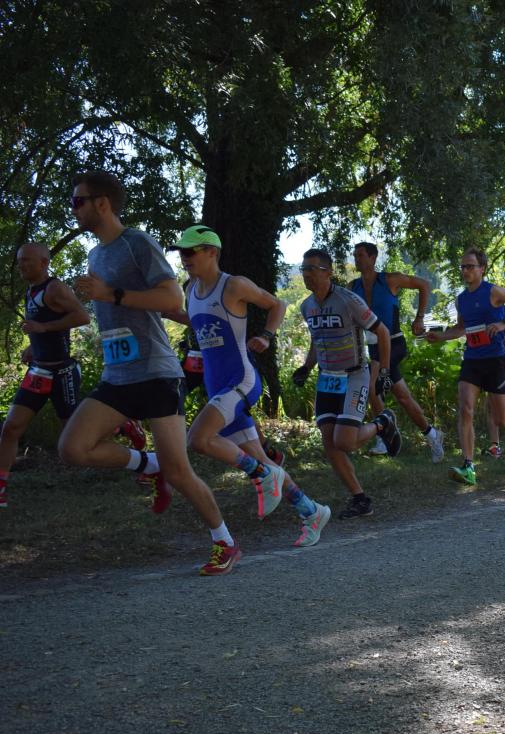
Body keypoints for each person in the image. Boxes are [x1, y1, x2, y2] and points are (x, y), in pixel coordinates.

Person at [60, 170, 239, 575]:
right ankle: (149, 465)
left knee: (181, 471)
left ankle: (224, 542)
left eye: (78, 202)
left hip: (157, 372)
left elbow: (172, 295)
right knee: (73, 448)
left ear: (102, 203)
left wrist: (113, 294)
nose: (74, 209)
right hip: (118, 374)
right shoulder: (94, 254)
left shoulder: (136, 242)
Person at [166, 226, 330, 546]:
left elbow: (277, 305)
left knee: (198, 439)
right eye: (181, 253)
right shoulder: (191, 290)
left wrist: (266, 336)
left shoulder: (234, 285)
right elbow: (199, 322)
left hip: (241, 381)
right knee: (262, 459)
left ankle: (263, 475)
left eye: (191, 252)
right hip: (217, 386)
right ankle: (312, 511)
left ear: (211, 252)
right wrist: (167, 313)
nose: (184, 258)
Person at [292, 248, 402, 519]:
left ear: (328, 272)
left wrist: (384, 371)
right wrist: (306, 367)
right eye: (303, 269)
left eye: (312, 270)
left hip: (354, 374)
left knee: (346, 441)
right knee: (330, 444)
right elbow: (317, 341)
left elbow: (383, 331)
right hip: (327, 378)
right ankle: (360, 499)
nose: (307, 275)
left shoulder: (347, 300)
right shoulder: (307, 306)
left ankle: (382, 423)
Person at [426, 247, 505, 485]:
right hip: (472, 360)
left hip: (495, 359)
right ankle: (468, 466)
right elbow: (461, 329)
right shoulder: (461, 299)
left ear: (482, 269)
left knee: (502, 418)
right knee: (465, 407)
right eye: (463, 266)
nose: (465, 270)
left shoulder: (493, 291)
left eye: (470, 266)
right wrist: (440, 337)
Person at [0, 243, 90, 508]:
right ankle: (1, 489)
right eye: (18, 262)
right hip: (39, 370)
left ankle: (121, 426)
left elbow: (82, 317)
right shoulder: (32, 290)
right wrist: (32, 345)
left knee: (73, 434)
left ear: (43, 262)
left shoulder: (55, 288)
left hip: (62, 372)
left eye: (26, 261)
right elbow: (45, 330)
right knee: (11, 427)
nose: (21, 267)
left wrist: (42, 326)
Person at [349, 242, 445, 462]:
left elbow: (424, 284)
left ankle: (383, 436)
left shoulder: (390, 279)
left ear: (373, 258)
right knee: (402, 396)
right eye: (355, 255)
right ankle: (432, 434)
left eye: (361, 255)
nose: (357, 259)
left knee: (372, 387)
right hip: (372, 347)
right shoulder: (352, 287)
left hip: (394, 343)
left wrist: (419, 317)